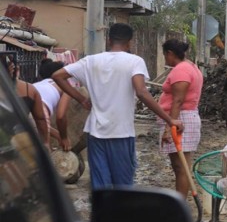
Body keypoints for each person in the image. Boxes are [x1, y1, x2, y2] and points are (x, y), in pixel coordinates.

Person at [52, 23, 183, 190]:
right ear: (129, 43)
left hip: (96, 133)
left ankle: (104, 215)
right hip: (121, 133)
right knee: (123, 186)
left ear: (109, 40)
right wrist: (170, 120)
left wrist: (81, 99)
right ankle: (119, 215)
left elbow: (57, 76)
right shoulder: (134, 61)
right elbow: (142, 92)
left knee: (101, 186)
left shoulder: (90, 61)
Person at [158, 39, 203, 198]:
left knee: (180, 167)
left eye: (165, 55)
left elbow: (178, 100)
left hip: (180, 119)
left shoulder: (181, 70)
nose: (165, 59)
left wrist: (168, 128)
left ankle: (180, 205)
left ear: (170, 53)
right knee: (182, 166)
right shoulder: (190, 66)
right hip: (185, 117)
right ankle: (180, 204)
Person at [1, 54, 49, 148]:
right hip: (20, 146)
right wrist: (45, 143)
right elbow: (40, 120)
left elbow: (41, 120)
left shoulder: (30, 90)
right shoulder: (29, 90)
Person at [33, 60, 71, 151]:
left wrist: (57, 135)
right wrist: (64, 137)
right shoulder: (65, 87)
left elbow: (36, 123)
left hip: (18, 108)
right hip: (40, 109)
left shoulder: (36, 85)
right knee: (45, 154)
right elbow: (60, 117)